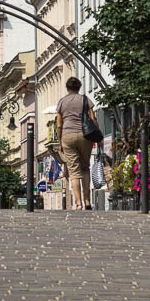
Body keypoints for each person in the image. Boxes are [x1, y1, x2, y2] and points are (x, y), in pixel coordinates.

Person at [56, 76, 97, 210]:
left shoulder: (62, 102)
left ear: (67, 88)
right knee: (85, 167)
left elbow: (59, 124)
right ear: (79, 87)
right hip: (85, 135)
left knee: (73, 171)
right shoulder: (85, 99)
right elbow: (93, 118)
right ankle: (87, 201)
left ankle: (78, 203)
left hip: (67, 136)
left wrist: (60, 140)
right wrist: (97, 136)